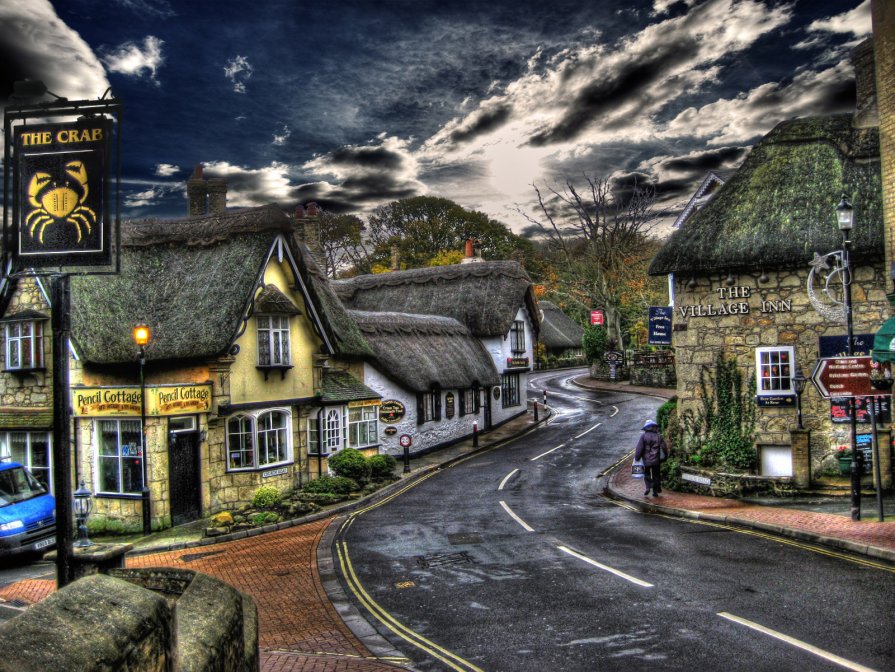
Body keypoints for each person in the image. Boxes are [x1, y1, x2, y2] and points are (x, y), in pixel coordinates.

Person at [635, 420, 667, 497]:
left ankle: (648, 487)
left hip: (646, 460)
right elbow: (664, 447)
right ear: (654, 427)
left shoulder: (643, 436)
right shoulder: (659, 436)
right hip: (656, 460)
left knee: (647, 474)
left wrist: (637, 457)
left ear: (646, 428)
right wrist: (665, 456)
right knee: (656, 475)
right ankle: (655, 492)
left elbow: (639, 448)